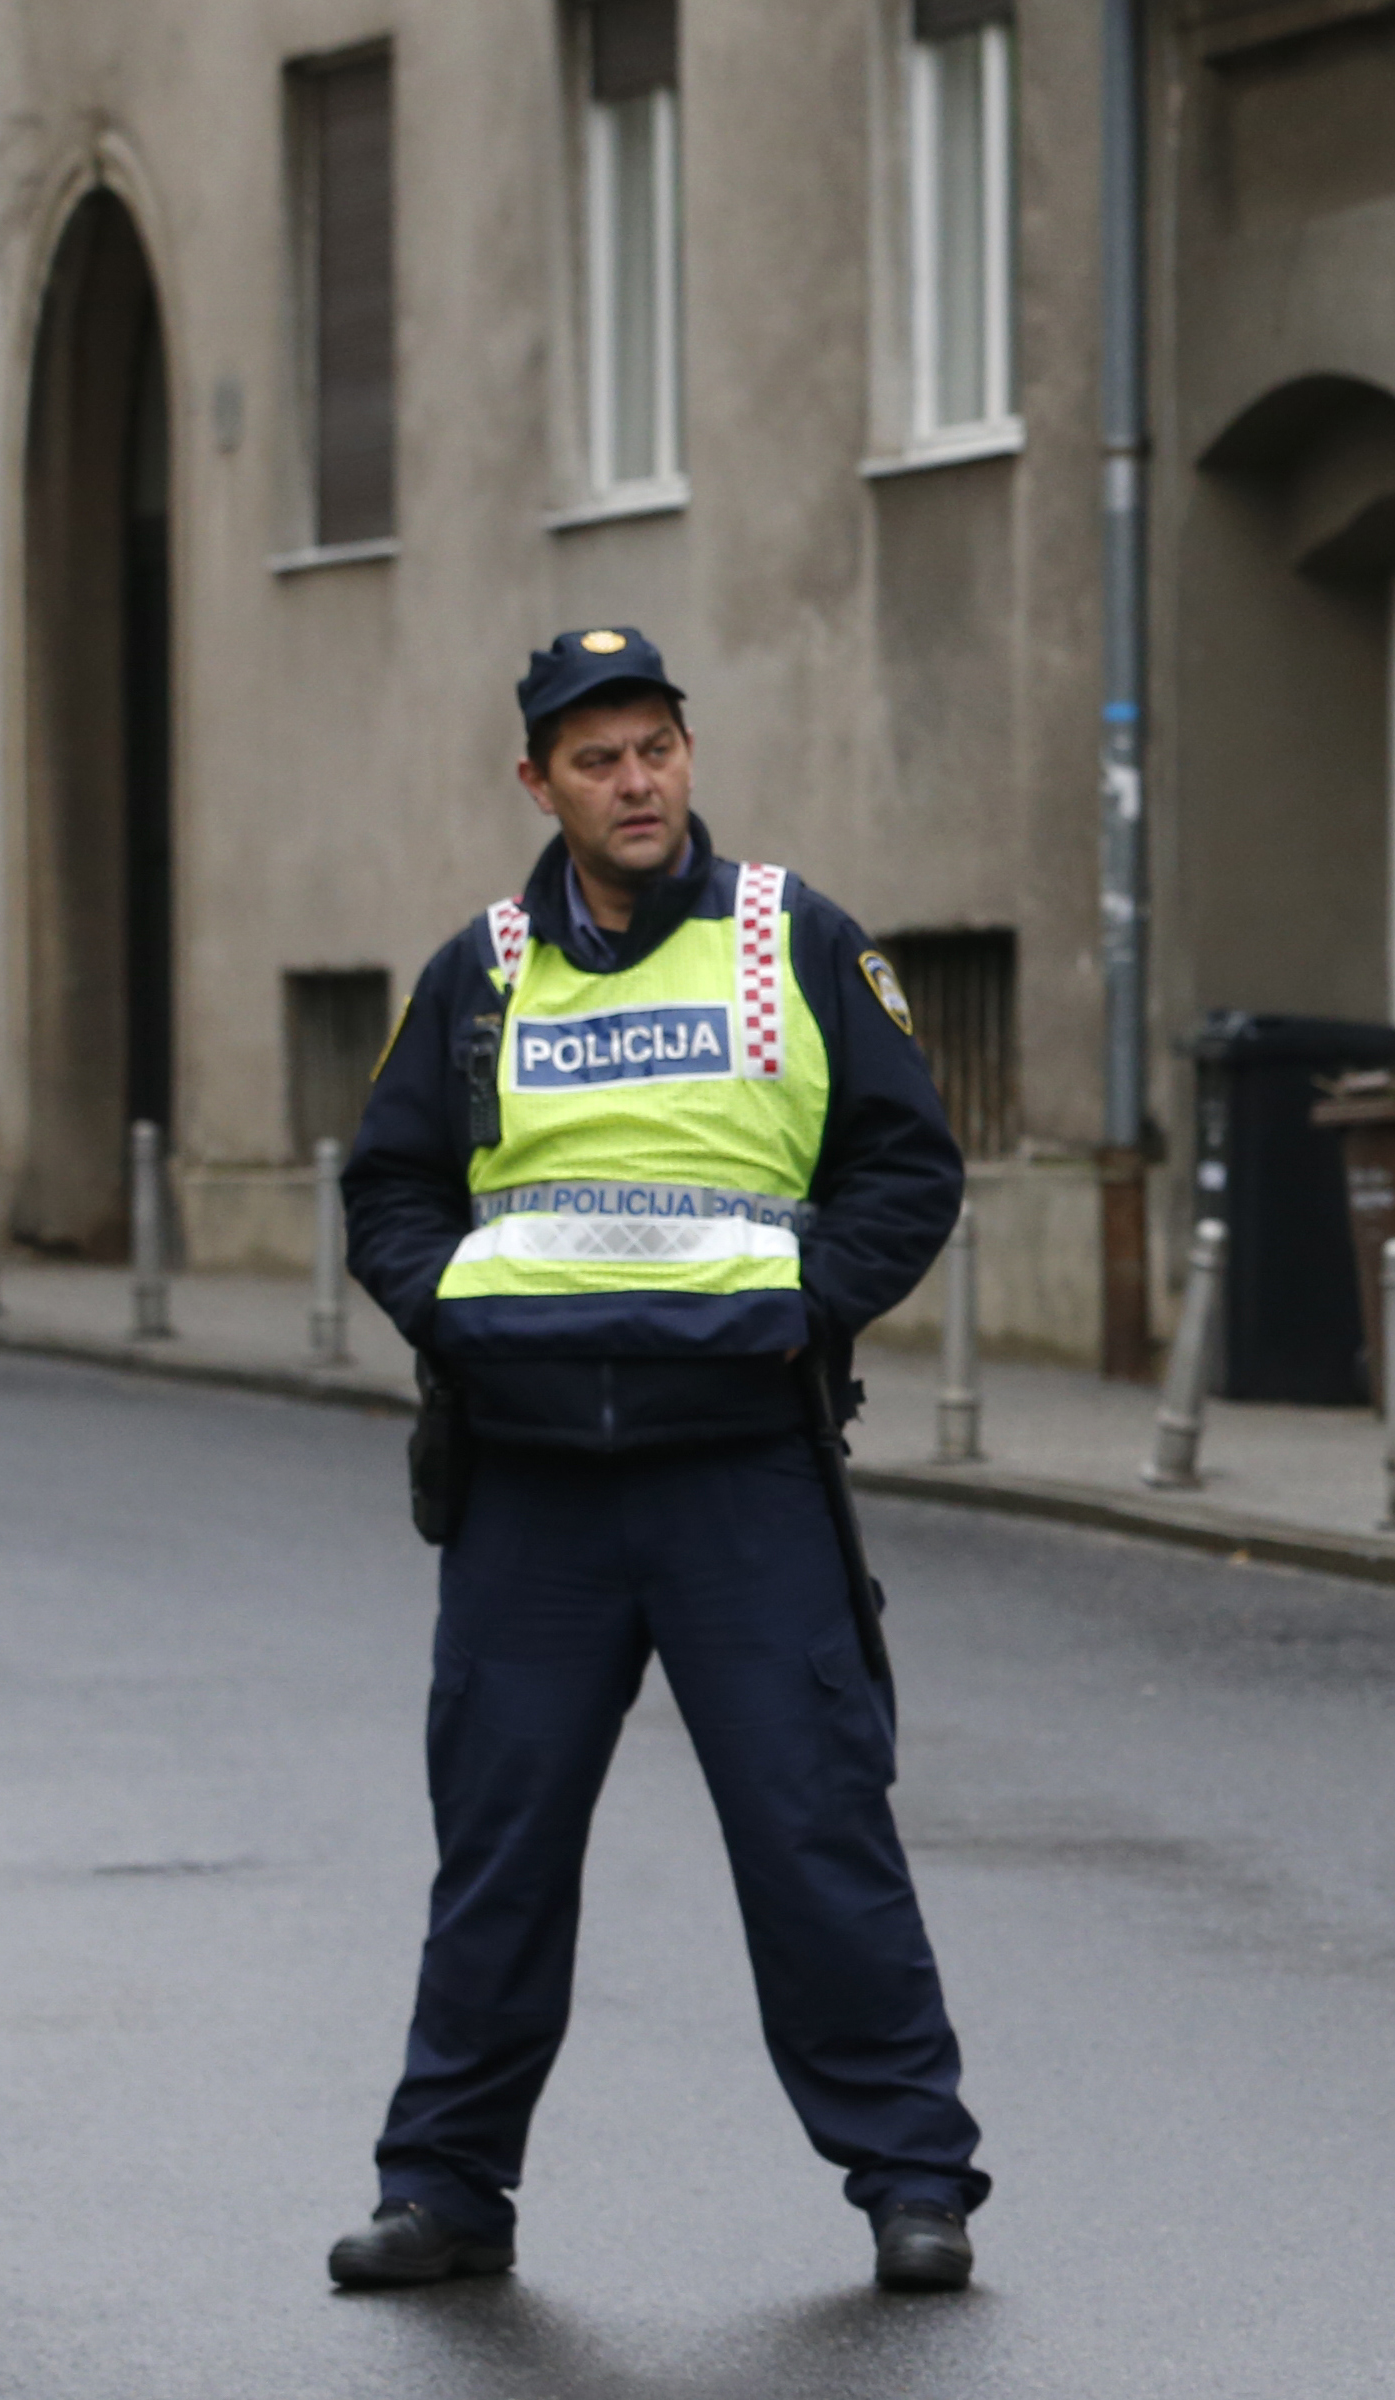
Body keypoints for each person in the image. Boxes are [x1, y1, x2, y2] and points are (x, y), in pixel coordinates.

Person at [324, 627, 989, 2296]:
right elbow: (389, 1186)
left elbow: (908, 1164)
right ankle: (447, 2191)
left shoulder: (794, 938)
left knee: (813, 1826)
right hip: (532, 1487)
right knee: (500, 1844)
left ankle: (916, 2181)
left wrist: (805, 1312)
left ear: (687, 755)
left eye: (655, 750)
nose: (634, 784)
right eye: (596, 759)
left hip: (737, 1475)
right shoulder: (479, 972)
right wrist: (448, 1313)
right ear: (536, 780)